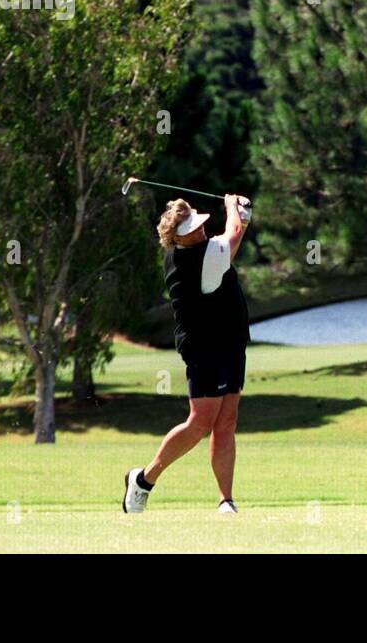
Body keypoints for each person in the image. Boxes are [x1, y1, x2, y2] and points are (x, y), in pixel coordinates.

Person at [123, 194, 250, 514]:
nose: (202, 229)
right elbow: (232, 236)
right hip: (205, 348)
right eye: (194, 229)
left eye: (200, 224)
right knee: (200, 422)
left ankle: (226, 500)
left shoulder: (197, 250)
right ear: (179, 239)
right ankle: (143, 480)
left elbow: (232, 238)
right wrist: (233, 207)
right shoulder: (199, 257)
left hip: (230, 343)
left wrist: (241, 217)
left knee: (226, 421)